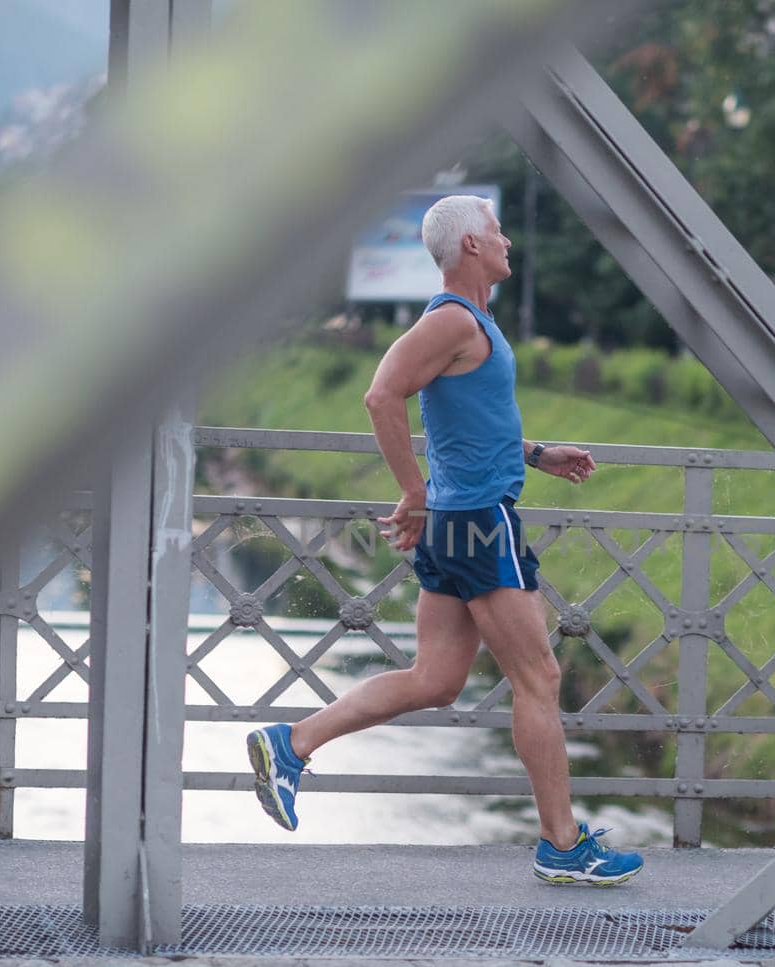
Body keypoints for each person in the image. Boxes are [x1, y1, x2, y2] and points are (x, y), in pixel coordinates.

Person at [246, 193, 642, 886]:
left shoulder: (470, 321)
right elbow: (381, 396)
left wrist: (535, 453)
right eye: (496, 230)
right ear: (469, 247)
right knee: (540, 678)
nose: (508, 240)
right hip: (477, 522)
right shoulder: (453, 320)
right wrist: (414, 492)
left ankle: (293, 742)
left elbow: (470, 424)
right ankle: (562, 844)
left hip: (460, 519)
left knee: (435, 680)